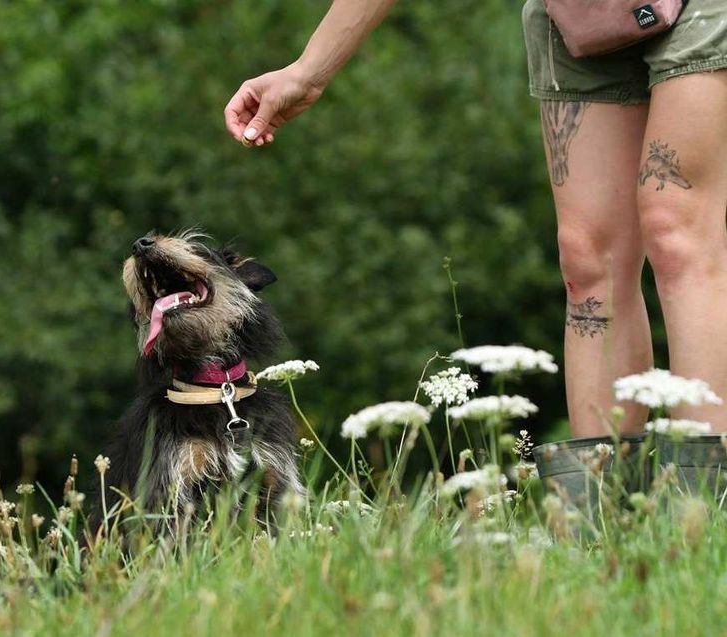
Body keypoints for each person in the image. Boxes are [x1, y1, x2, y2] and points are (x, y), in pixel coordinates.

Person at [224, 0, 727, 437]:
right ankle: (600, 512)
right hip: (581, 16)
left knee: (673, 230)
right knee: (587, 259)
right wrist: (307, 70)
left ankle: (705, 506)